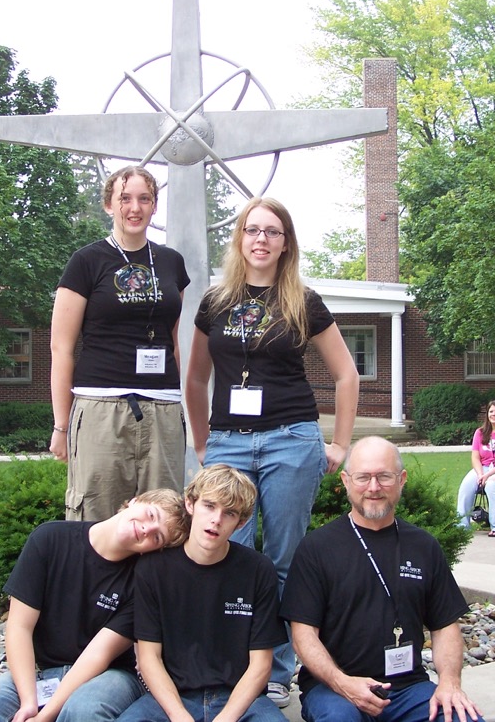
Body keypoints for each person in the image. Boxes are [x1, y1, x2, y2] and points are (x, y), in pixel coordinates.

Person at [184, 196, 360, 707]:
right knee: (223, 553)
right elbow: (195, 378)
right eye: (252, 229)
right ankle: (230, 664)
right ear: (240, 238)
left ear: (286, 243)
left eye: (272, 231)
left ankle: (277, 670)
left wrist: (340, 443)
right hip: (229, 442)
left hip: (291, 440)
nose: (261, 239)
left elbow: (346, 374)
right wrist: (202, 440)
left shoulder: (303, 301)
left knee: (283, 559)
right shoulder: (215, 302)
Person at [280, 437, 484, 722]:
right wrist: (342, 682)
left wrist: (450, 684)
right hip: (335, 689)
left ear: (402, 480)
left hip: (408, 688)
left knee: (462, 718)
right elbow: (303, 636)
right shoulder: (316, 549)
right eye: (363, 477)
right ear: (346, 481)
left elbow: (445, 625)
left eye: (384, 477)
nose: (373, 487)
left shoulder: (423, 546)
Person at [0, 489, 189, 722]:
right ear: (136, 501)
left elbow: (98, 654)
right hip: (44, 672)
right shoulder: (49, 538)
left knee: (83, 711)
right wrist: (29, 703)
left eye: (157, 537)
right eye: (151, 515)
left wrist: (45, 716)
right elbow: (19, 627)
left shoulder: (142, 580)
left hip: (108, 675)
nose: (147, 529)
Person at [50, 165, 191, 522]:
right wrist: (61, 426)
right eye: (125, 198)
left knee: (163, 520)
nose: (135, 208)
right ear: (109, 205)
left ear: (154, 205)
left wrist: (177, 402)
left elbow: (172, 340)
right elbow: (61, 349)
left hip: (162, 408)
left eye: (144, 199)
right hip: (101, 407)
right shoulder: (86, 261)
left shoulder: (171, 263)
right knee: (96, 520)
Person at [117, 464, 287, 722]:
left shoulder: (257, 569)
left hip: (239, 700)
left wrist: (227, 717)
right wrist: (179, 715)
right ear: (190, 504)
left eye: (229, 513)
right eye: (209, 506)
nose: (216, 520)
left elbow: (261, 665)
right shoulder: (153, 569)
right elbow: (149, 658)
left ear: (241, 523)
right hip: (171, 697)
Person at [455, 400, 495, 537]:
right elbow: (475, 457)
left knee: (492, 484)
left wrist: (488, 475)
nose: (493, 414)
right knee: (466, 485)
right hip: (483, 469)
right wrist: (480, 474)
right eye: (491, 411)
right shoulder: (480, 433)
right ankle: (461, 527)